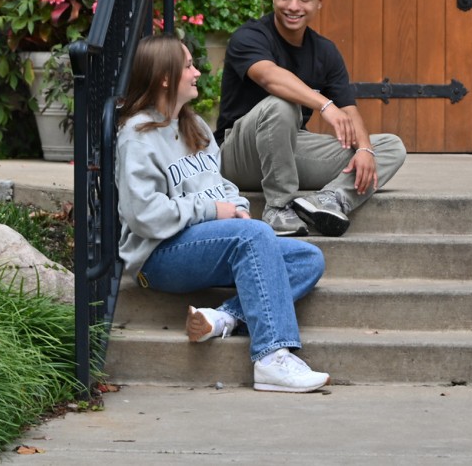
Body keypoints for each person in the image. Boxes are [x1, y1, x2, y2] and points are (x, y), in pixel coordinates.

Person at [115, 34, 330, 393]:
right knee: (257, 236)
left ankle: (223, 316)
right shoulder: (137, 136)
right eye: (188, 66)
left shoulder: (194, 126)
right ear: (165, 77)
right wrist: (216, 211)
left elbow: (223, 187)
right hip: (157, 257)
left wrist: (238, 209)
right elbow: (143, 215)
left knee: (308, 258)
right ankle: (272, 356)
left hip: (207, 244)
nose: (197, 72)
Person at [217, 0, 407, 237]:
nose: (293, 6)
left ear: (319, 2)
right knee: (282, 105)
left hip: (288, 152)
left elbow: (350, 110)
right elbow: (270, 77)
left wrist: (365, 148)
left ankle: (328, 200)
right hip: (239, 154)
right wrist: (324, 105)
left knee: (390, 147)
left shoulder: (325, 51)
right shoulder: (250, 36)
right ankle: (279, 209)